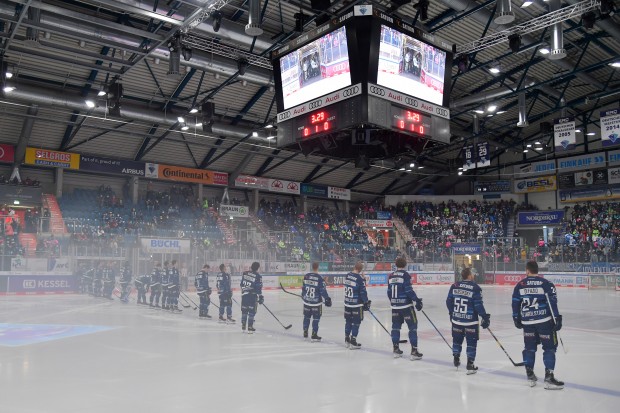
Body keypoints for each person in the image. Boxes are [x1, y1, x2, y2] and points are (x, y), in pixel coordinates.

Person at [512, 261, 564, 389]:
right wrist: (557, 318)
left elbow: (515, 303)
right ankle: (549, 378)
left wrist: (516, 318)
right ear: (537, 270)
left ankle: (530, 376)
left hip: (527, 323)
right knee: (549, 348)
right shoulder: (546, 284)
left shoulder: (520, 285)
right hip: (544, 322)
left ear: (527, 270)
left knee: (529, 348)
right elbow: (552, 302)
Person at [446, 267, 490, 374]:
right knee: (471, 343)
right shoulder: (475, 288)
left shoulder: (454, 286)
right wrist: (484, 316)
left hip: (456, 321)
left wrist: (452, 313)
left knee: (456, 341)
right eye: (472, 274)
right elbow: (478, 305)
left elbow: (448, 301)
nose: (474, 275)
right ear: (469, 275)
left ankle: (456, 358)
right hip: (470, 322)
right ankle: (470, 364)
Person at [387, 257, 424, 360]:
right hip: (406, 306)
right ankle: (414, 351)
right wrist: (417, 300)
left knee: (395, 327)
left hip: (395, 306)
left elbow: (389, 292)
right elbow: (408, 290)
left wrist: (393, 302)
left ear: (396, 264)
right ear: (405, 265)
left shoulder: (391, 276)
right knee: (412, 327)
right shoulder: (405, 275)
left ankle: (395, 350)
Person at [301, 262, 332, 341]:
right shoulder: (319, 278)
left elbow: (303, 288)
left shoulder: (306, 276)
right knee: (316, 319)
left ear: (312, 267)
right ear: (318, 267)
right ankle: (314, 334)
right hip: (316, 303)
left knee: (306, 317)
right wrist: (327, 299)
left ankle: (305, 331)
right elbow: (322, 291)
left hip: (307, 302)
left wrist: (303, 295)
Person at [344, 261, 371, 349]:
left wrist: (362, 279)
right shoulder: (359, 278)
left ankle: (347, 339)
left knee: (348, 321)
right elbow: (363, 291)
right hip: (356, 304)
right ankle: (353, 341)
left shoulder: (348, 275)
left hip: (347, 303)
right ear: (360, 270)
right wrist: (366, 302)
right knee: (356, 323)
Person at [240, 262, 263, 334]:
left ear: (251, 266)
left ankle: (243, 326)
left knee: (244, 311)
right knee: (251, 312)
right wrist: (260, 296)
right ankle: (250, 327)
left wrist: (244, 291)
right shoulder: (258, 276)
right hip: (252, 296)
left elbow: (241, 284)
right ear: (258, 268)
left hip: (244, 295)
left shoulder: (245, 273)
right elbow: (258, 287)